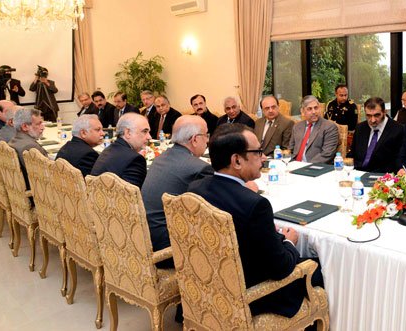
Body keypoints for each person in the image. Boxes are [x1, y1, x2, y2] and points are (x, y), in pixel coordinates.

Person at [187, 123, 323, 318]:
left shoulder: (194, 189)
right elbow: (281, 268)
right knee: (317, 267)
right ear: (237, 161)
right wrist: (288, 242)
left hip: (207, 286)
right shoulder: (255, 205)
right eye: (258, 152)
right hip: (249, 295)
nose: (264, 157)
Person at [142, 115, 213, 267]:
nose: (208, 140)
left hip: (145, 238)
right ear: (194, 139)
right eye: (206, 135)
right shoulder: (199, 168)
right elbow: (209, 213)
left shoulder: (162, 157)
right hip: (167, 248)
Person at [90, 113, 150, 188]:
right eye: (144, 131)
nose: (149, 137)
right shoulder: (135, 159)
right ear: (128, 133)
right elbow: (134, 197)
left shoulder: (108, 150)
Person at [349, 97, 404, 173]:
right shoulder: (360, 128)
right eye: (368, 116)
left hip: (382, 175)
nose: (372, 120)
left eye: (377, 115)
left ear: (385, 112)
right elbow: (352, 154)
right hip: (357, 172)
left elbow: (399, 159)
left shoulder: (398, 130)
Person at [289, 95, 339, 164]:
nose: (314, 112)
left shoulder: (329, 127)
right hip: (295, 165)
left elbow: (327, 154)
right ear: (302, 111)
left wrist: (305, 166)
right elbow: (290, 150)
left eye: (316, 108)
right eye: (309, 109)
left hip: (314, 167)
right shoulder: (297, 126)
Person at [8, 108, 47, 189]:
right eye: (38, 124)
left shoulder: (14, 140)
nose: (43, 127)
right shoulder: (30, 147)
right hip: (38, 193)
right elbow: (44, 176)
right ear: (25, 127)